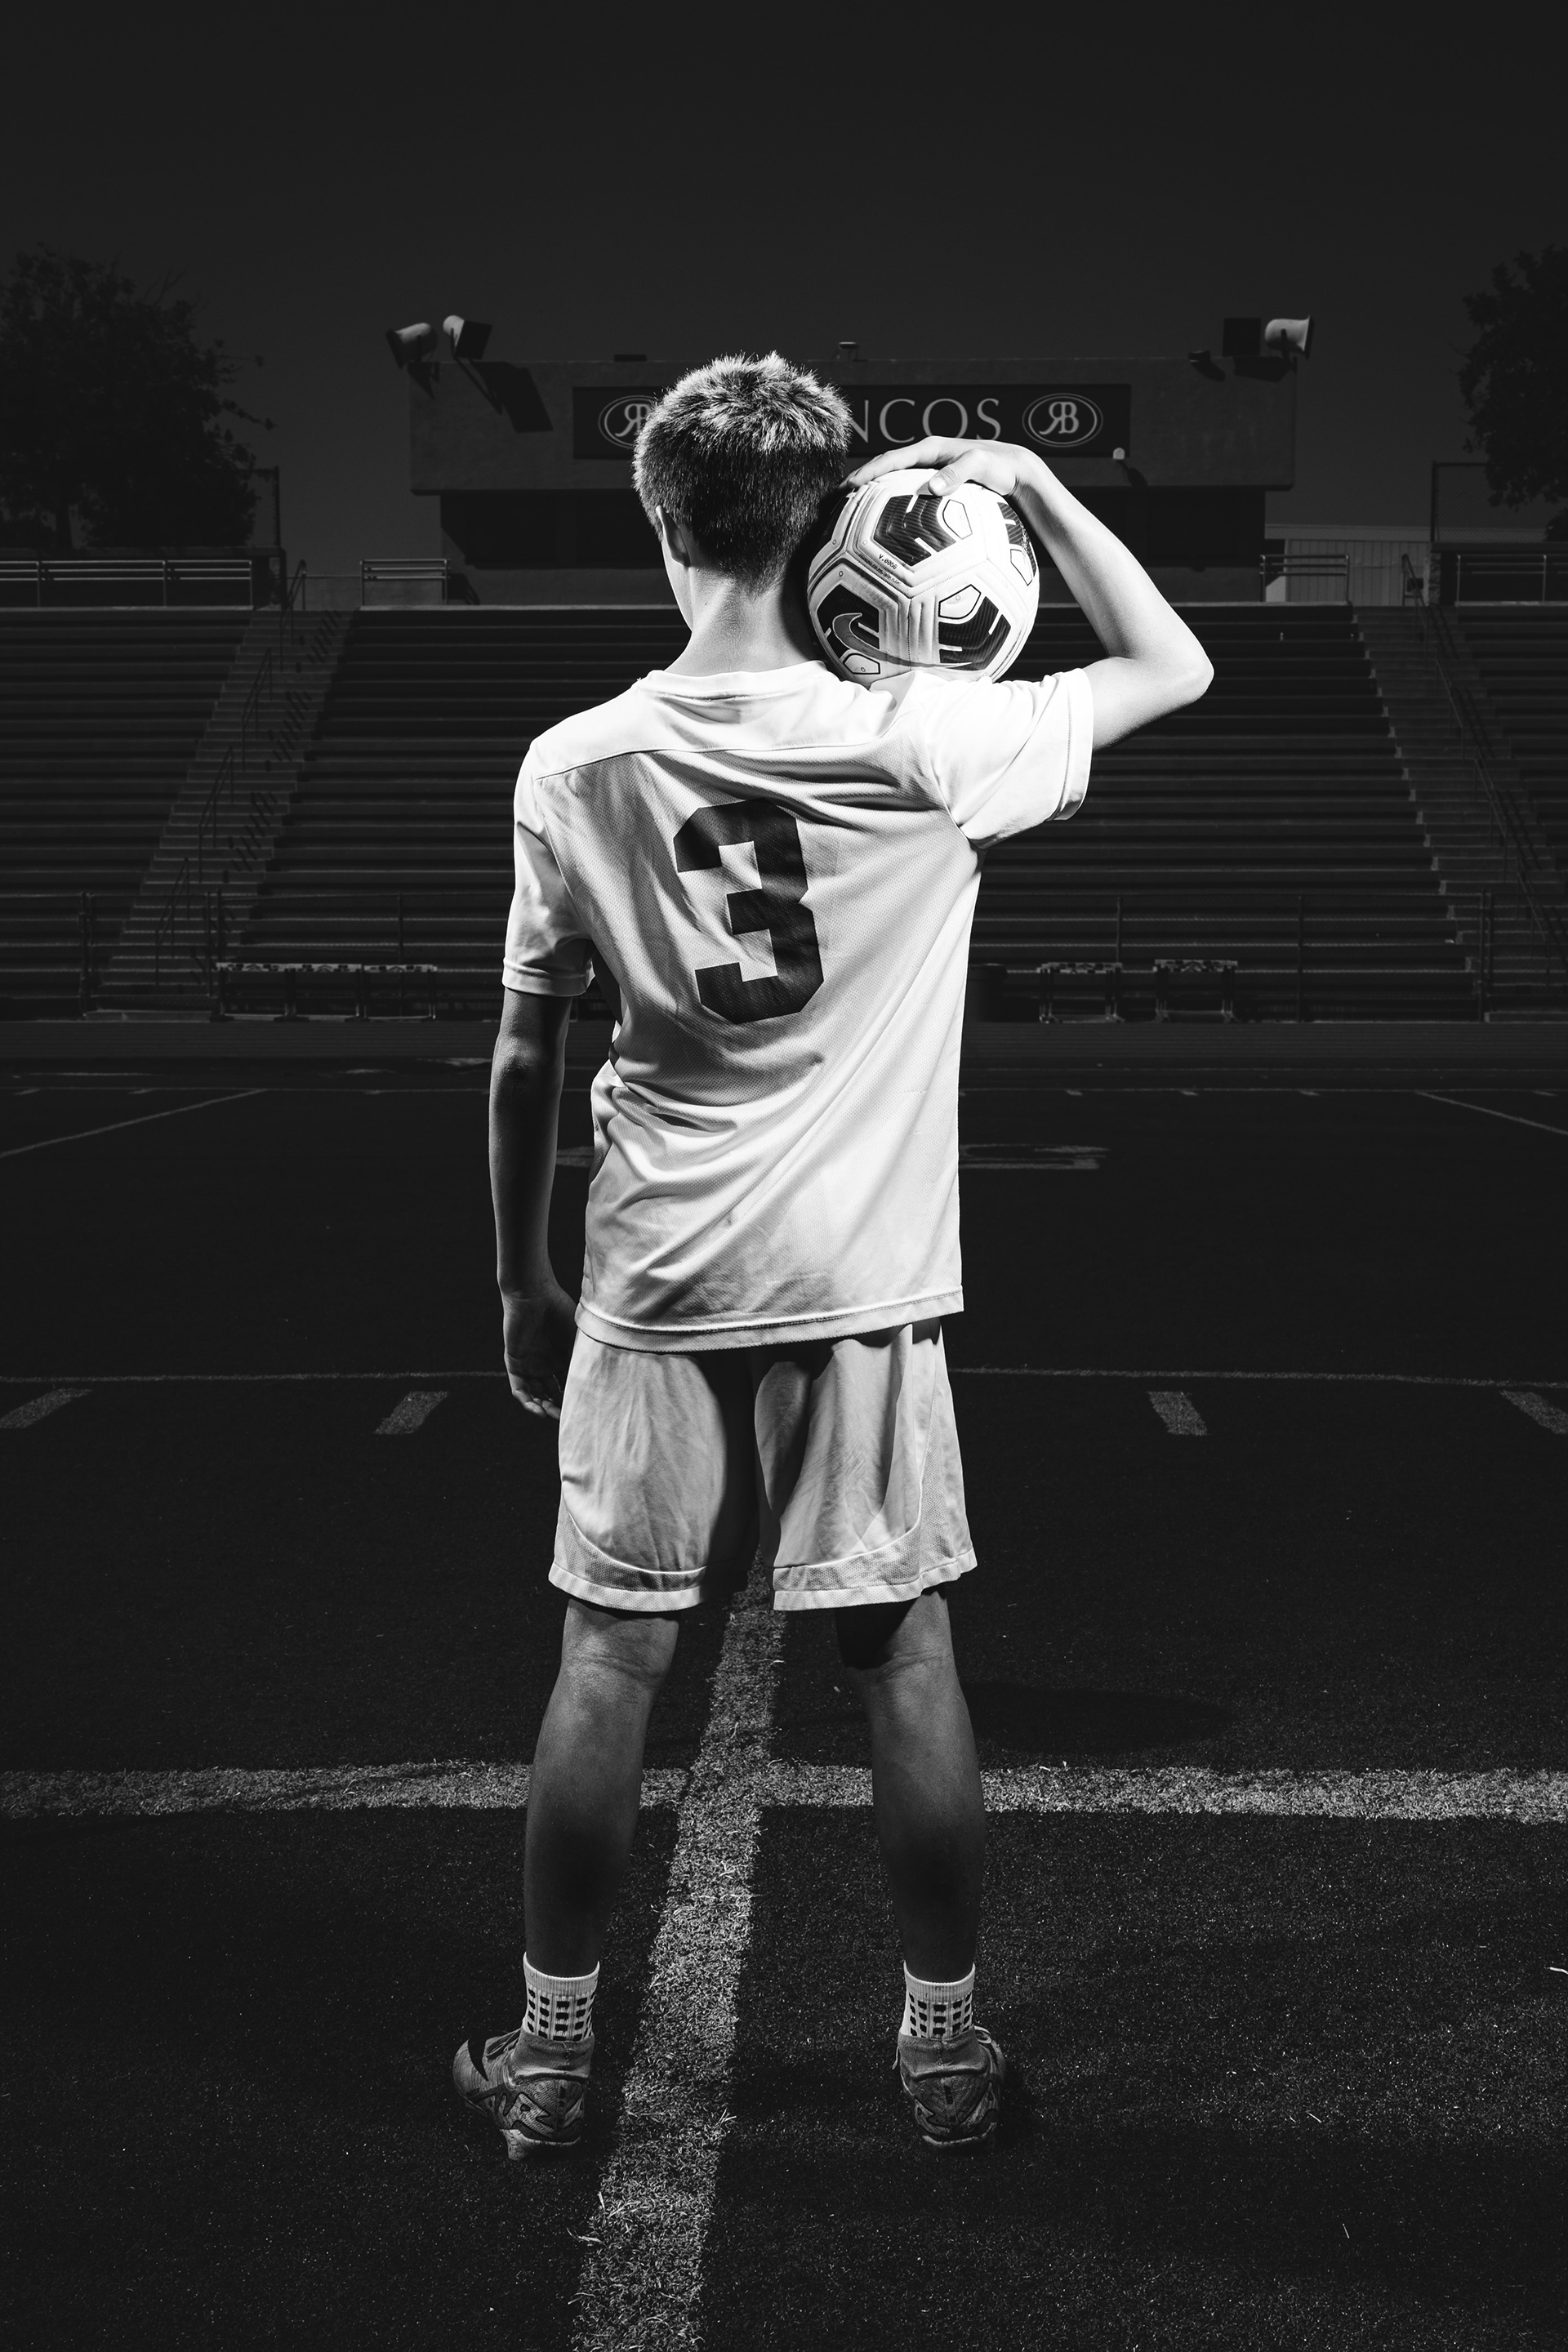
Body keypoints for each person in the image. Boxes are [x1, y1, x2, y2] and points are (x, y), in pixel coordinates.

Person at [455, 353, 1212, 2157]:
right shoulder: (930, 740)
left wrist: (522, 1282)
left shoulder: (575, 762)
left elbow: (523, 1055)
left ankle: (551, 2055)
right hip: (862, 1281)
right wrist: (1030, 484)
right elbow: (1171, 663)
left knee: (606, 1665)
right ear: (828, 537)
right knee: (905, 1658)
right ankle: (941, 2049)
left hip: (653, 1272)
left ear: (660, 523)